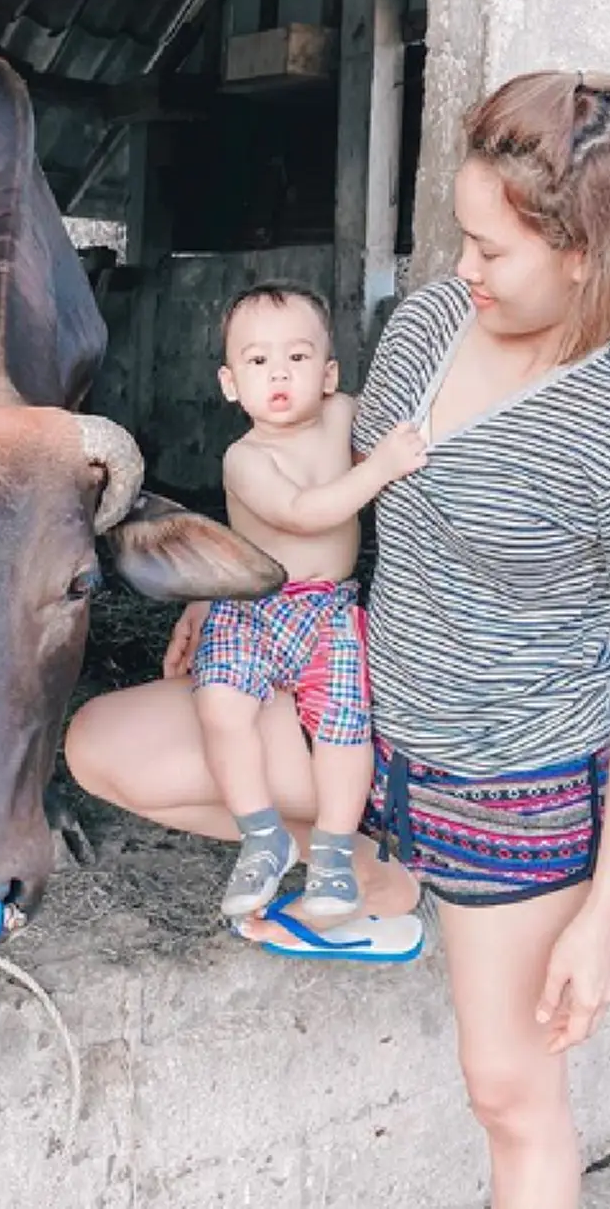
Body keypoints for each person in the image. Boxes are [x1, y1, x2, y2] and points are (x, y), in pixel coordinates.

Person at [65, 70, 610, 1209]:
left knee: (508, 1095)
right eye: (460, 235)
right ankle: (372, 870)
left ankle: (407, 876)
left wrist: (604, 913)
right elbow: (319, 482)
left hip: (507, 790)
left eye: (491, 248)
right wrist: (227, 598)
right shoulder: (428, 325)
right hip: (357, 715)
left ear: (586, 255)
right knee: (101, 743)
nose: (461, 268)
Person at [180, 280, 426, 921]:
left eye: (297, 356)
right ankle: (262, 834)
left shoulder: (346, 413)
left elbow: (402, 411)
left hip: (329, 613)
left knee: (345, 728)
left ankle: (336, 855)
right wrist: (382, 469)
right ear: (231, 384)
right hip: (252, 604)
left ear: (329, 372)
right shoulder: (245, 458)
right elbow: (304, 514)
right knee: (219, 704)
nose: (279, 373)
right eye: (258, 361)